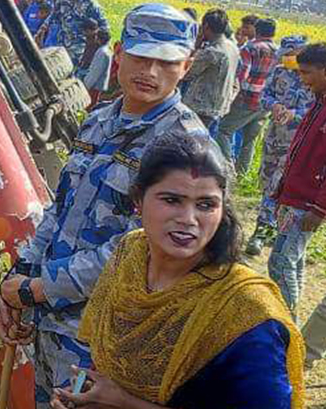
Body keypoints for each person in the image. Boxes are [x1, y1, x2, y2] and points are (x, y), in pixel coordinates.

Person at [0, 3, 208, 409]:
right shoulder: (99, 121)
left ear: (187, 65)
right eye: (141, 57)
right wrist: (21, 274)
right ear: (119, 52)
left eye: (166, 63)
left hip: (108, 342)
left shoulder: (185, 147)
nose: (150, 72)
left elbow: (151, 250)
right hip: (51, 327)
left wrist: (39, 288)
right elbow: (61, 209)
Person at [52, 130, 305, 409]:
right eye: (172, 200)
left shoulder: (246, 313)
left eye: (206, 205)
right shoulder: (132, 253)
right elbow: (103, 367)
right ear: (138, 199)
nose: (188, 220)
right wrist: (83, 394)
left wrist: (124, 402)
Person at [266, 42, 326, 311]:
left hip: (307, 203)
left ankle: (285, 328)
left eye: (306, 73)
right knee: (293, 261)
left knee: (280, 263)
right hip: (295, 196)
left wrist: (320, 208)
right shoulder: (318, 103)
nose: (302, 80)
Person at [244, 35, 314, 256]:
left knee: (281, 186)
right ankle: (265, 228)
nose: (286, 59)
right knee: (268, 183)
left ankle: (269, 232)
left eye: (290, 55)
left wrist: (295, 114)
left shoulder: (314, 78)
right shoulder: (279, 71)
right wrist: (273, 105)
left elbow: (317, 112)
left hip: (298, 144)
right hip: (274, 138)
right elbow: (265, 95)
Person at [216, 16, 277, 175]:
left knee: (223, 130)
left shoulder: (250, 49)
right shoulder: (278, 51)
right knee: (249, 139)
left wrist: (231, 96)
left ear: (257, 29)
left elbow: (242, 75)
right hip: (265, 102)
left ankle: (229, 170)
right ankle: (242, 172)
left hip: (246, 99)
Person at [180, 8, 240, 133]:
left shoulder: (212, 52)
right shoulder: (232, 47)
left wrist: (196, 46)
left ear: (206, 26)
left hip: (201, 108)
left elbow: (185, 73)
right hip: (219, 107)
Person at [37, 0, 108, 74]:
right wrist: (44, 26)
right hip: (62, 39)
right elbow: (54, 14)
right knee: (58, 66)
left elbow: (103, 23)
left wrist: (101, 42)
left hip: (79, 43)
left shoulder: (89, 2)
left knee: (72, 69)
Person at [80, 23, 112, 106]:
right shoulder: (106, 50)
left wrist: (86, 84)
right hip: (99, 85)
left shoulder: (101, 53)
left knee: (89, 105)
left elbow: (95, 71)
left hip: (95, 86)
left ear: (99, 39)